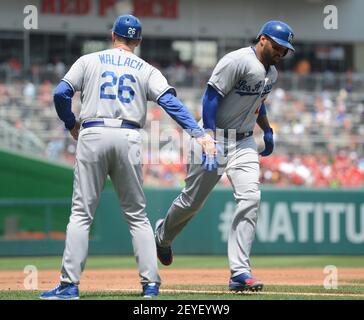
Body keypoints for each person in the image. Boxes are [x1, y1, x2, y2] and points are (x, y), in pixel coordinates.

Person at [40, 14, 215, 300]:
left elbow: (61, 93)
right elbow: (170, 103)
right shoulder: (146, 68)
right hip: (130, 136)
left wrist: (71, 122)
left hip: (93, 133)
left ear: (113, 35)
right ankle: (150, 286)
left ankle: (69, 286)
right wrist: (200, 134)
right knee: (137, 216)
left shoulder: (88, 61)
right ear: (138, 41)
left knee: (81, 215)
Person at [155, 20, 295, 292]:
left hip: (243, 142)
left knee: (251, 198)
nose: (281, 52)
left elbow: (258, 104)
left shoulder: (272, 74)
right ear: (263, 39)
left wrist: (266, 130)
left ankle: (239, 272)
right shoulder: (236, 61)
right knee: (192, 202)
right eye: (278, 46)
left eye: (286, 49)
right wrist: (207, 137)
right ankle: (162, 236)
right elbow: (211, 97)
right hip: (214, 136)